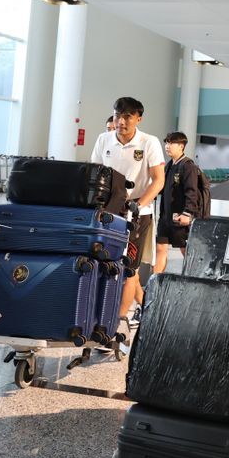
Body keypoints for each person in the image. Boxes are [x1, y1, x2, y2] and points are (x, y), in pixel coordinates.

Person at [91, 97, 165, 331]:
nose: (121, 121)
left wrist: (139, 204)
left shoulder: (149, 142)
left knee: (128, 266)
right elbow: (94, 174)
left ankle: (115, 323)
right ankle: (142, 308)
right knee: (103, 260)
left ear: (138, 119)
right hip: (108, 210)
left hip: (138, 212)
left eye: (127, 117)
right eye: (117, 115)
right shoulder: (104, 139)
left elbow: (158, 180)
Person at [154, 132, 200, 273]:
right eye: (166, 143)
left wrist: (187, 213)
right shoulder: (168, 166)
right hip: (166, 217)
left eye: (171, 143)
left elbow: (192, 191)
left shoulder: (188, 166)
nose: (167, 146)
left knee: (185, 250)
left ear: (181, 146)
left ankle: (195, 277)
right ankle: (154, 282)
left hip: (180, 217)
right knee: (160, 248)